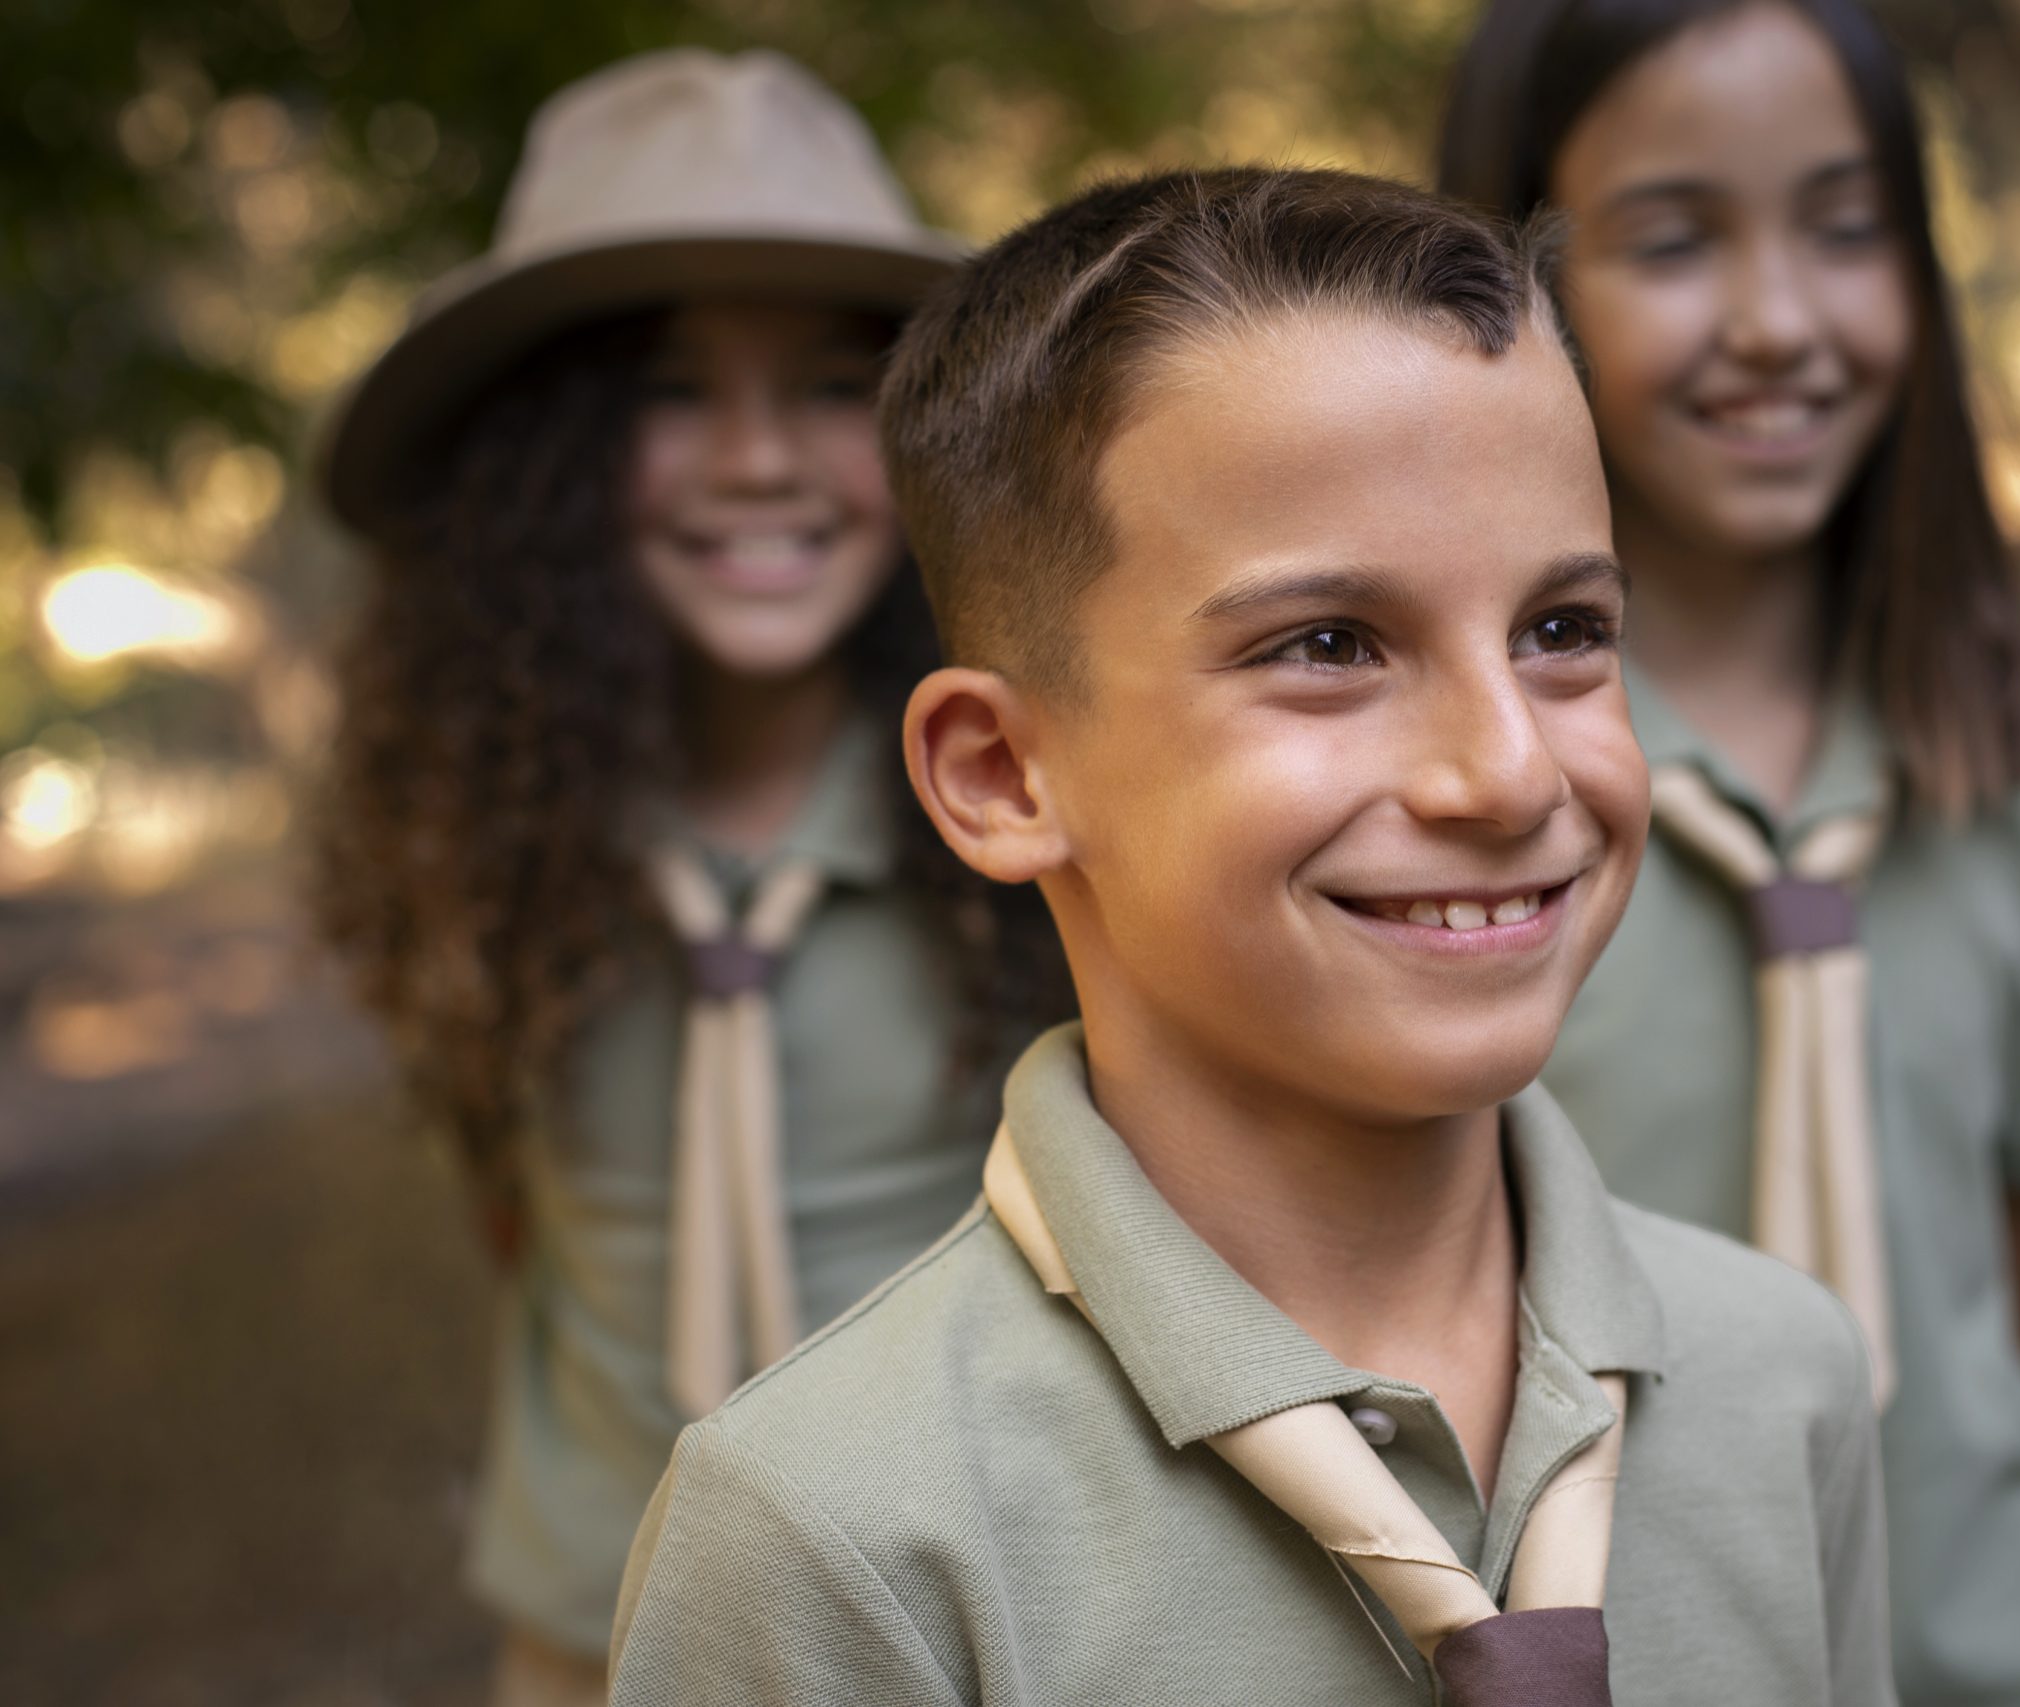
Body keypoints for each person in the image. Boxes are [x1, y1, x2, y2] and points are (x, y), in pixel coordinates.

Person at [607, 167, 1895, 1707]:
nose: (1511, 771)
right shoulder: (832, 1538)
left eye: (1562, 632)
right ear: (1004, 776)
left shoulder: (1788, 1379)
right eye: (1330, 647)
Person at [310, 50, 1063, 1705]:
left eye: (825, 386)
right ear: (547, 457)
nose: (756, 462)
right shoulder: (483, 846)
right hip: (591, 1646)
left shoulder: (1041, 828)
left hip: (979, 1632)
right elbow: (519, 1215)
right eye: (667, 391)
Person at [1440, 4, 2020, 1704]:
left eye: (1847, 229)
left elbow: (2002, 1263)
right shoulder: (1456, 826)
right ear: (1509, 295)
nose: (1776, 321)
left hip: (1982, 1650)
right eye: (1675, 240)